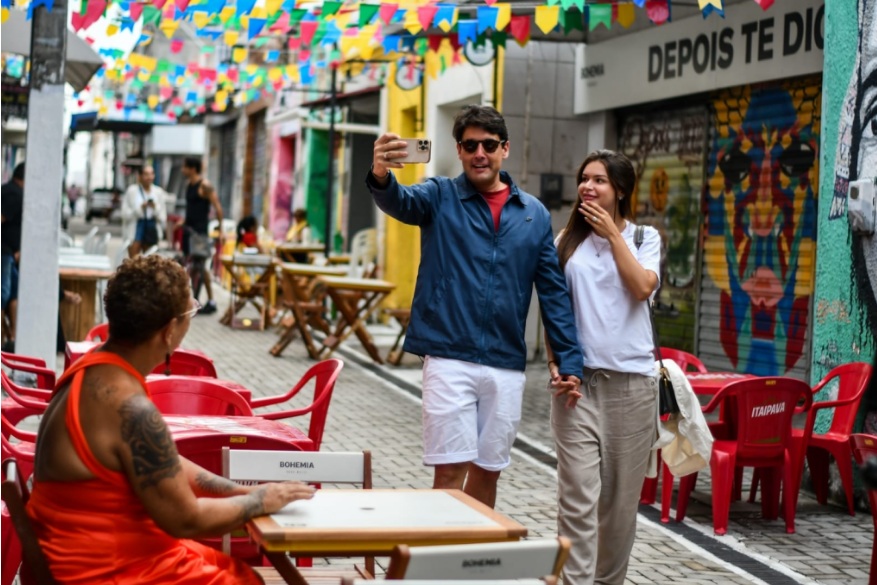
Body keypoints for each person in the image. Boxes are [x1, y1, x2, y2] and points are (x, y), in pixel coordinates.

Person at [27, 255, 315, 583]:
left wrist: (238, 491)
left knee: (230, 566)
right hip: (105, 572)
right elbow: (186, 519)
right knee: (246, 579)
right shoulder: (129, 407)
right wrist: (259, 501)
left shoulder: (94, 367)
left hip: (85, 555)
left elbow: (165, 465)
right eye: (188, 313)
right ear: (168, 331)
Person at [366, 105, 583, 509]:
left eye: (488, 144)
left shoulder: (533, 214)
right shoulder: (439, 195)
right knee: (450, 470)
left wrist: (569, 361)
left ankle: (472, 562)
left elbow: (553, 292)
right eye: (470, 145)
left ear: (505, 149)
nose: (479, 153)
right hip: (449, 357)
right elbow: (400, 201)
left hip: (505, 362)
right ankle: (438, 568)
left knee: (488, 471)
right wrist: (381, 175)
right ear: (460, 151)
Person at [548, 150, 661, 585]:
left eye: (599, 180)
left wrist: (613, 234)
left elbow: (640, 288)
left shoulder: (644, 239)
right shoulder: (565, 243)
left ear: (621, 191)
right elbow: (556, 314)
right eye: (584, 178)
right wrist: (557, 364)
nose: (587, 187)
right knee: (577, 497)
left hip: (633, 390)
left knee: (617, 509)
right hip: (578, 387)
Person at [180, 157, 222, 315]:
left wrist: (221, 229)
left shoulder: (204, 185)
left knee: (201, 266)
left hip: (199, 233)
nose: (182, 170)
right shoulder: (188, 185)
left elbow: (217, 206)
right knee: (189, 266)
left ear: (192, 168)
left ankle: (211, 301)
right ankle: (188, 300)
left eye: (184, 167)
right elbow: (192, 209)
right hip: (188, 231)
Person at [1, 162, 24, 353]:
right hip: (4, 252)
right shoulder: (13, 194)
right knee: (3, 295)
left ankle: (13, 337)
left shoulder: (11, 191)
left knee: (13, 295)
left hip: (10, 253)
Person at [122, 165, 169, 258]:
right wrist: (140, 208)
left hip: (152, 225)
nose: (149, 177)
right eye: (146, 174)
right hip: (136, 225)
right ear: (140, 176)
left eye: (151, 174)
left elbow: (163, 217)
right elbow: (124, 214)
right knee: (133, 259)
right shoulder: (132, 191)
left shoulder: (158, 192)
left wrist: (155, 207)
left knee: (150, 260)